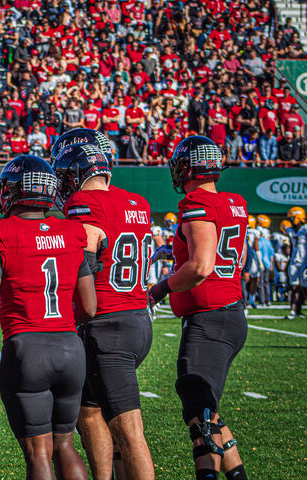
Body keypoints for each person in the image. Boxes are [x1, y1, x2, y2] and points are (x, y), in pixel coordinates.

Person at [53, 138, 155, 480]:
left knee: (128, 428)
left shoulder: (84, 202)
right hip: (137, 316)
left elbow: (86, 260)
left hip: (107, 322)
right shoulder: (136, 201)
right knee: (89, 409)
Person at [0, 155, 95, 480]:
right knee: (65, 445)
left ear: (12, 192)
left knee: (39, 454)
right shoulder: (72, 231)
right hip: (69, 346)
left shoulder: (2, 231)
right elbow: (89, 306)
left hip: (27, 346)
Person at [149, 136, 249, 480]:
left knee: (198, 413)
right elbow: (237, 260)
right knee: (206, 409)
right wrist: (174, 254)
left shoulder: (196, 202)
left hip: (210, 317)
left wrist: (159, 289)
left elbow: (202, 266)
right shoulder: (234, 202)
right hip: (231, 311)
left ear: (186, 167)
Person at [287, 206, 307, 319]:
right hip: (294, 261)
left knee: (304, 287)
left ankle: (299, 309)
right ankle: (293, 310)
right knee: (294, 286)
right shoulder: (290, 230)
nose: (290, 221)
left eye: (292, 218)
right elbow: (290, 246)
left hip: (304, 260)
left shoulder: (305, 228)